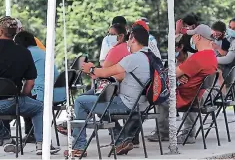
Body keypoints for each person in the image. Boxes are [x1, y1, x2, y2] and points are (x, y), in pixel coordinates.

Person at [64, 25, 150, 158]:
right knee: (100, 101)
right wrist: (100, 74)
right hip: (142, 103)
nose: (127, 42)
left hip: (127, 103)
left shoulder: (134, 58)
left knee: (81, 102)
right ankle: (120, 140)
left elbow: (106, 71)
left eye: (129, 38)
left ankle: (78, 146)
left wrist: (91, 69)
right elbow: (120, 76)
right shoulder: (149, 57)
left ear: (133, 39)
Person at [147, 24, 218, 144]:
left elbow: (173, 73)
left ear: (198, 37)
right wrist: (183, 76)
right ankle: (186, 133)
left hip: (189, 97)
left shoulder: (198, 57)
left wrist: (179, 75)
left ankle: (164, 132)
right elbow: (186, 73)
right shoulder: (212, 56)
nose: (192, 39)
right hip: (202, 93)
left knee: (159, 97)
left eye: (193, 36)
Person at [0, 16, 59, 155]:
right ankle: (41, 145)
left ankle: (6, 137)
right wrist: (22, 95)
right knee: (40, 108)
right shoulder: (24, 52)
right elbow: (30, 83)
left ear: (1, 30)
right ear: (16, 32)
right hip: (14, 101)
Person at [14, 31, 65, 143]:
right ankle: (31, 133)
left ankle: (28, 134)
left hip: (44, 93)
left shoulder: (27, 53)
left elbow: (21, 76)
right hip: (58, 93)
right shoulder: (42, 52)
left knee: (22, 100)